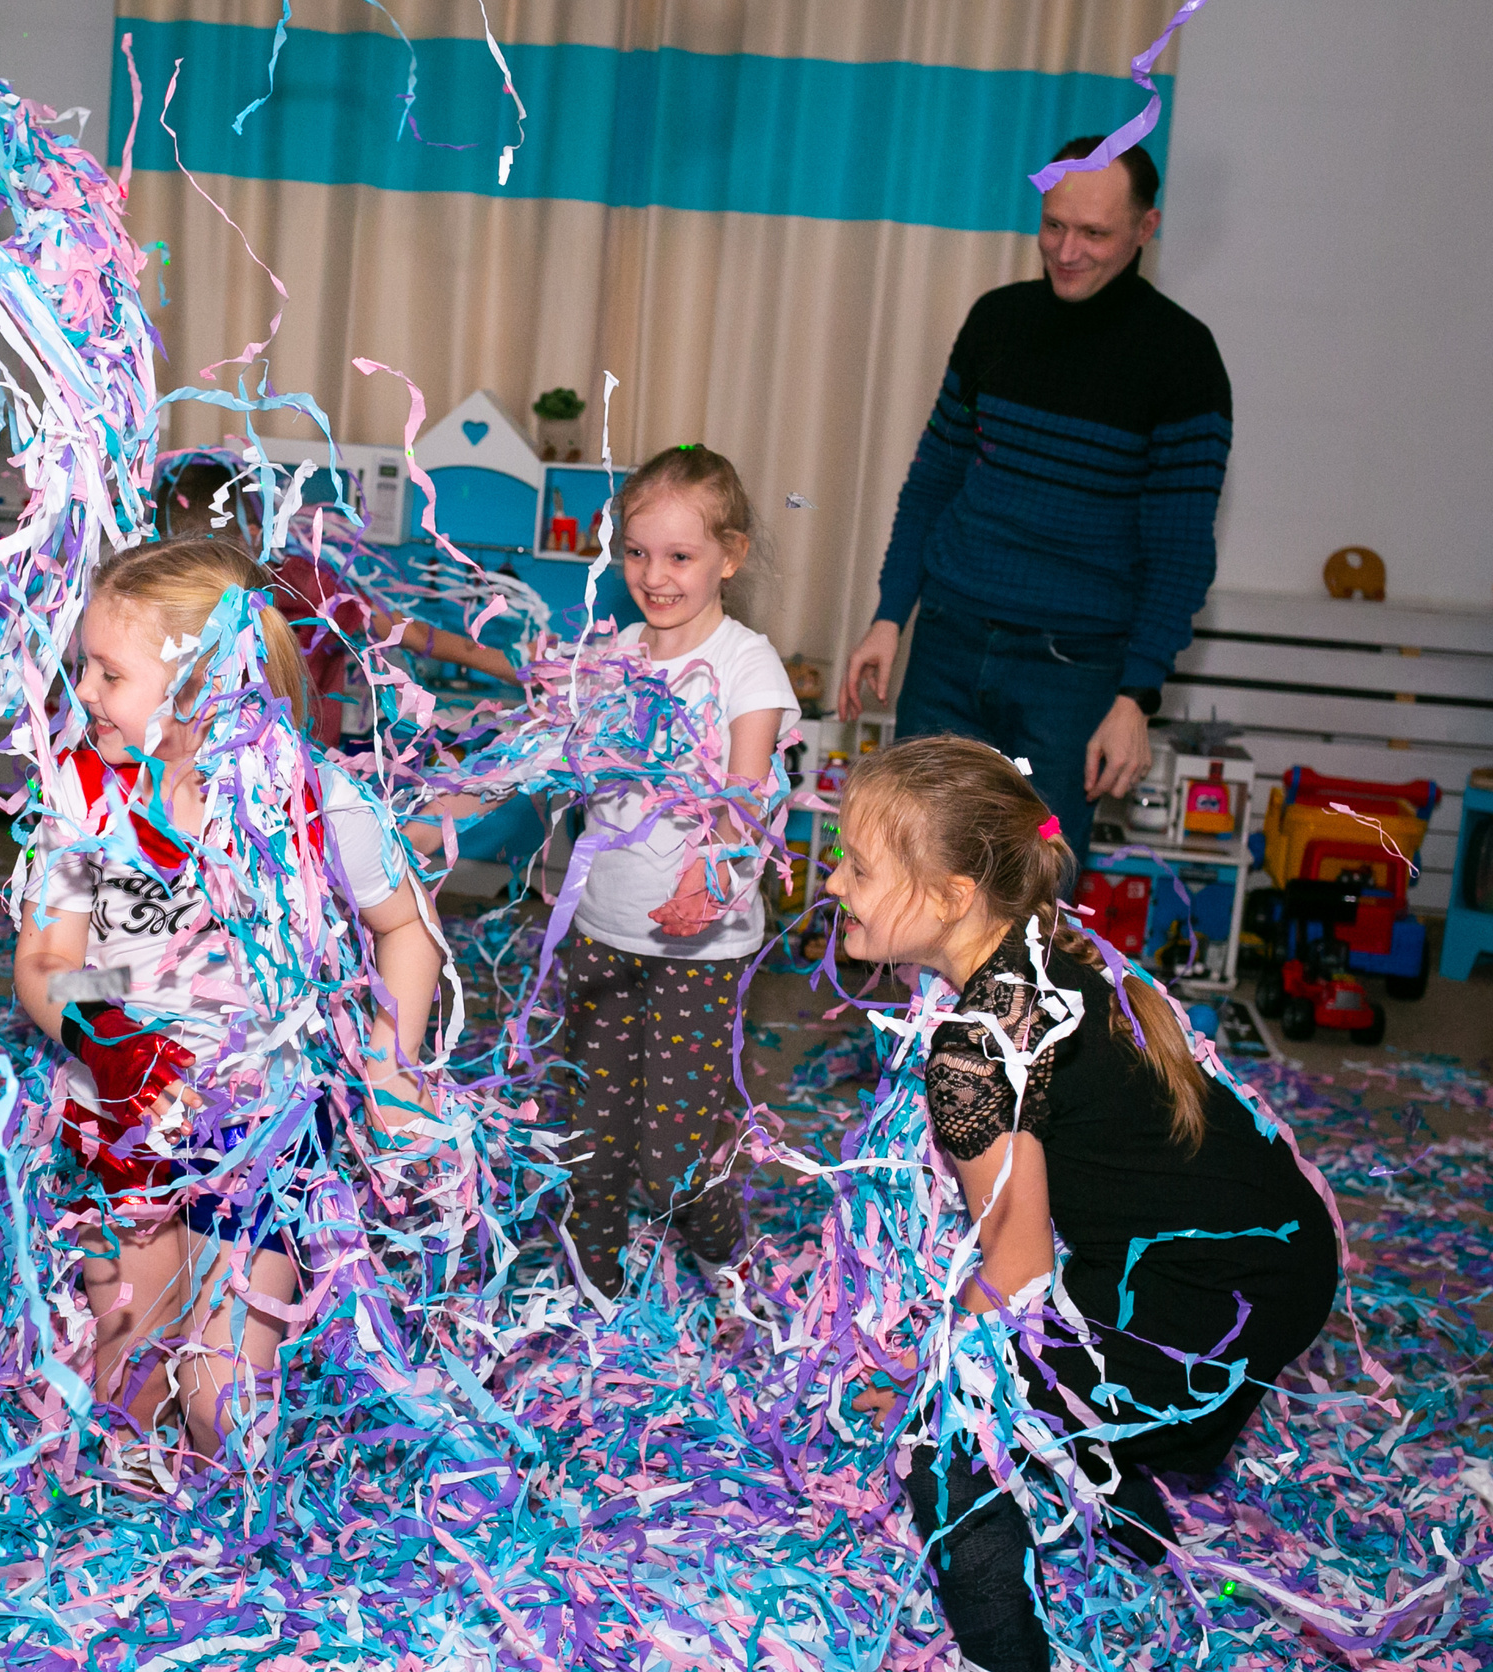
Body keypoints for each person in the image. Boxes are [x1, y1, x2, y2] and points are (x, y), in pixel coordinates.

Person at [834, 736, 1338, 1672]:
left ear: (950, 898)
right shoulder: (1056, 950)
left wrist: (932, 1380)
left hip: (1210, 1293)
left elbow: (1019, 1274)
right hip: (1276, 1253)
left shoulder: (975, 1053)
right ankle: (1147, 1542)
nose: (833, 884)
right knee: (1057, 1376)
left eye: (859, 868)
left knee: (951, 1441)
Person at [11, 537, 445, 1464]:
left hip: (265, 1135)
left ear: (202, 683)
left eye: (108, 672)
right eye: (84, 665)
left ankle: (232, 1556)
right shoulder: (84, 800)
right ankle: (127, 1544)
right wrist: (114, 1035)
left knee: (221, 1406)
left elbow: (405, 931)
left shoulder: (316, 799)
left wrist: (388, 1064)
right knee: (128, 1371)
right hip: (125, 1128)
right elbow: (44, 960)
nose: (83, 691)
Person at [837, 138, 1233, 868]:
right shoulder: (997, 320)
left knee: (1034, 887)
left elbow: (1180, 551)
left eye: (1094, 233)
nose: (1067, 250)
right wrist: (891, 613)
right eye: (1054, 225)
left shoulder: (1183, 359)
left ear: (1146, 229)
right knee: (913, 865)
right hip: (949, 643)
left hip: (1074, 674)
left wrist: (1135, 698)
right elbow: (933, 480)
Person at [555, 447, 796, 1294]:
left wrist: (712, 875)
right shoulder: (614, 655)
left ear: (729, 556)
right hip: (602, 931)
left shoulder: (746, 667)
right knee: (592, 1139)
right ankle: (595, 1295)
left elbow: (747, 794)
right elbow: (562, 763)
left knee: (677, 1157)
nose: (654, 577)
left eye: (680, 557)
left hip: (702, 949)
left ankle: (727, 1262)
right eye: (637, 553)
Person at [154, 452, 518, 746]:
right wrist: (511, 664)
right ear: (255, 534)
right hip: (294, 776)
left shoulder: (303, 585)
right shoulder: (304, 583)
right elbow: (410, 634)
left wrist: (509, 664)